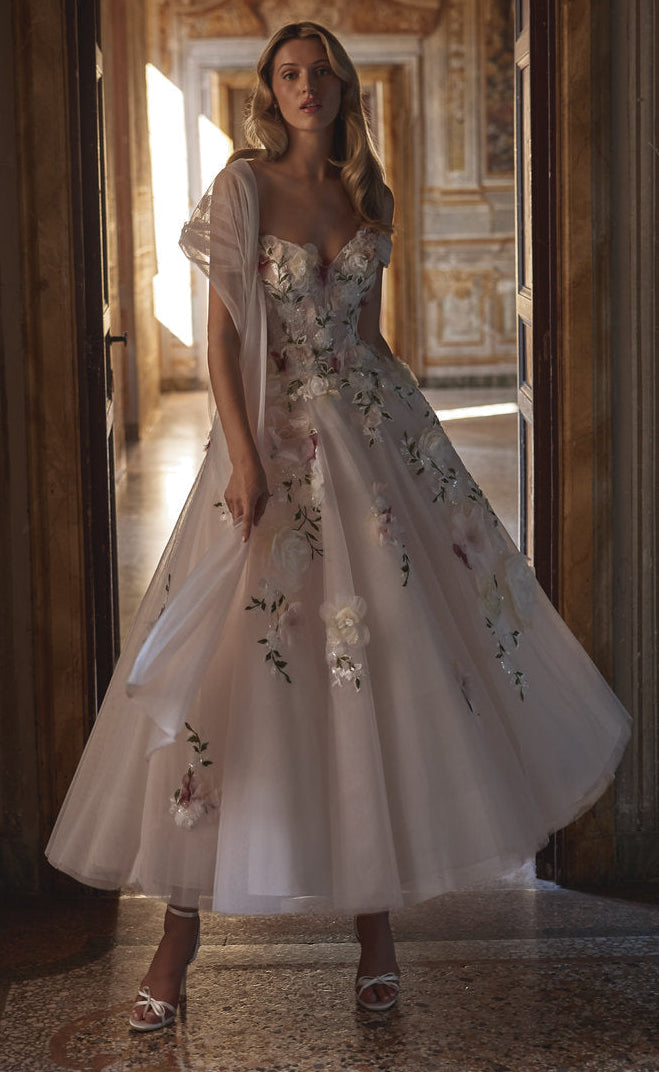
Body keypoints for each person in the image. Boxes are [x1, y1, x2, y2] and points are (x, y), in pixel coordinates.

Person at [46, 21, 631, 1031]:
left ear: (340, 84)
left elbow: (369, 340)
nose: (304, 84)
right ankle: (173, 948)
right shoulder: (242, 186)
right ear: (269, 91)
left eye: (318, 70)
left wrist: (421, 453)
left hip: (369, 444)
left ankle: (376, 937)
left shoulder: (368, 197)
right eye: (287, 72)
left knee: (381, 677)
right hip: (269, 447)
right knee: (221, 681)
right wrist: (240, 457)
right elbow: (227, 336)